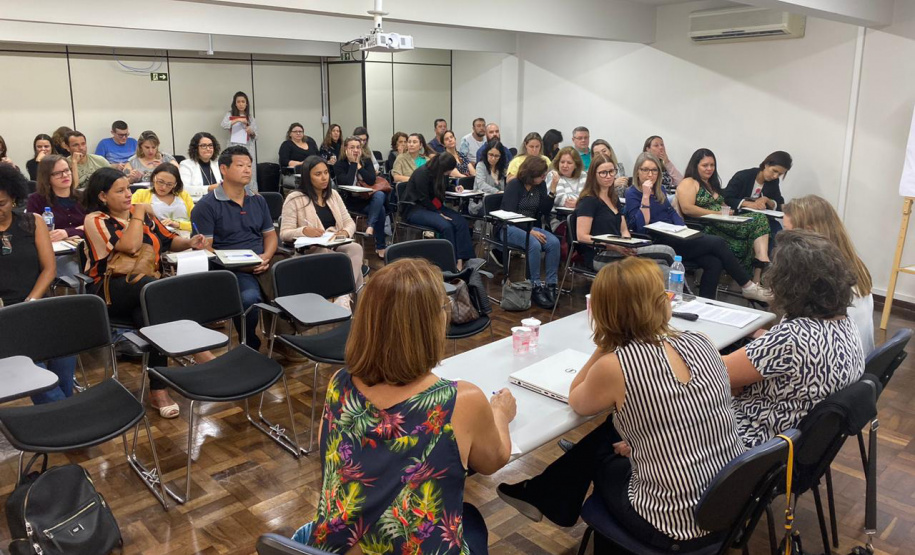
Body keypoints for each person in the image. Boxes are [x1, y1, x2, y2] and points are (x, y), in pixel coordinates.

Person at [497, 257, 745, 551]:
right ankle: (542, 495)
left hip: (675, 524)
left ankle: (551, 501)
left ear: (604, 313)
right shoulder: (701, 341)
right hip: (729, 499)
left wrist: (606, 342)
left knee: (602, 457)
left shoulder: (616, 366)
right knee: (609, 437)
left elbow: (577, 399)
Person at [294, 258, 515, 554]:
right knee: (471, 519)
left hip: (332, 547)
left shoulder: (338, 384)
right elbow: (493, 461)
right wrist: (500, 412)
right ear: (432, 323)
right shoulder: (461, 401)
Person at [83, 168, 209, 418]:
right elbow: (129, 246)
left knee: (150, 316)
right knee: (155, 293)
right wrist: (139, 212)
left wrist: (191, 242)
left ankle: (158, 390)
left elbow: (169, 240)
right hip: (109, 291)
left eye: (128, 189)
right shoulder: (96, 219)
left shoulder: (143, 216)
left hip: (146, 291)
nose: (128, 195)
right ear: (103, 196)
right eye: (120, 191)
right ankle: (199, 351)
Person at [724, 229, 865, 447]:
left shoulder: (791, 338)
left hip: (751, 445)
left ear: (787, 283)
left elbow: (715, 375)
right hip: (798, 443)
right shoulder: (845, 323)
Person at [625, 152, 770, 302]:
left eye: (654, 170)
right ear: (637, 172)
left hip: (674, 235)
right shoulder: (632, 193)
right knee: (718, 242)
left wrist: (682, 228)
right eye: (645, 170)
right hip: (657, 240)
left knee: (714, 262)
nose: (650, 174)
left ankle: (707, 304)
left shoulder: (660, 189)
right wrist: (646, 196)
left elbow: (671, 212)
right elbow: (641, 227)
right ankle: (747, 286)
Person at [0, 164, 76, 405]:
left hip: (35, 302)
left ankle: (62, 408)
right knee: (30, 359)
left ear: (13, 197)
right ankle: (64, 412)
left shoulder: (33, 222)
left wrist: (31, 301)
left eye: (1, 203)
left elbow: (49, 269)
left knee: (66, 342)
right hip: (3, 313)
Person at [192, 146, 276, 351]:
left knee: (290, 280)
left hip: (262, 259)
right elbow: (206, 249)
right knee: (248, 298)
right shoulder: (207, 205)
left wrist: (265, 256)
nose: (247, 170)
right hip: (231, 268)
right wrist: (241, 264)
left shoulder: (258, 199)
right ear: (224, 169)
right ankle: (250, 344)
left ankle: (283, 339)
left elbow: (270, 235)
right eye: (240, 165)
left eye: (249, 165)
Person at [783, 195, 875, 355]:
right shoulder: (851, 262)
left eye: (787, 231)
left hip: (831, 362)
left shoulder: (820, 273)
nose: (782, 238)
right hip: (855, 361)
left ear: (809, 231)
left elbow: (800, 341)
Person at [279, 156, 364, 305]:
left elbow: (349, 222)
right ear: (307, 177)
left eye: (326, 172)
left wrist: (344, 232)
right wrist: (304, 231)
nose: (324, 177)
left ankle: (343, 297)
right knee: (330, 255)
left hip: (335, 243)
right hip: (311, 249)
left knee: (355, 248)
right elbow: (284, 233)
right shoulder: (294, 198)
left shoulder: (334, 195)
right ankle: (343, 295)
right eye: (318, 174)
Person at [676, 148, 771, 278]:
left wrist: (727, 210)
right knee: (758, 219)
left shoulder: (711, 184)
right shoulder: (689, 182)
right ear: (695, 166)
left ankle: (758, 271)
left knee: (758, 223)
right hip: (707, 226)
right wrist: (717, 214)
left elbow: (721, 204)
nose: (709, 168)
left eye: (712, 165)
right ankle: (758, 268)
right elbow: (688, 209)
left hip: (723, 222)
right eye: (705, 165)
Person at [575, 153, 675, 273]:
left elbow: (623, 230)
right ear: (593, 175)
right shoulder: (589, 200)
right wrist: (612, 246)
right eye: (603, 173)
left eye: (612, 171)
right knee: (666, 254)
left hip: (619, 250)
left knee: (663, 266)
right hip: (601, 254)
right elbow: (582, 236)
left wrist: (628, 244)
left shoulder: (613, 198)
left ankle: (678, 291)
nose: (609, 176)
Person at [501, 156, 561, 308]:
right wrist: (530, 230)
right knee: (533, 243)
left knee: (554, 243)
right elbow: (510, 215)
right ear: (531, 174)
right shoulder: (514, 185)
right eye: (541, 175)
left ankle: (551, 285)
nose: (544, 177)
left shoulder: (539, 186)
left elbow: (544, 210)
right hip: (509, 227)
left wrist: (552, 189)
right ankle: (534, 286)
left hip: (530, 227)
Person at [402, 154, 474, 268]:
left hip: (433, 206)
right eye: (448, 171)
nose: (449, 174)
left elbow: (443, 187)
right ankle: (450, 263)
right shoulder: (422, 173)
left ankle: (462, 259)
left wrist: (454, 188)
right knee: (446, 226)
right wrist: (439, 213)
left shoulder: (441, 172)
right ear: (443, 168)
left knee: (461, 222)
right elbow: (423, 198)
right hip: (415, 208)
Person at [27, 155, 86, 277]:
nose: (65, 175)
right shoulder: (36, 200)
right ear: (47, 177)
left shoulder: (83, 197)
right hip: (57, 255)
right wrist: (80, 228)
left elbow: (94, 227)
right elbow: (33, 231)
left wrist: (67, 233)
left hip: (85, 250)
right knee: (79, 277)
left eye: (66, 170)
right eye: (57, 173)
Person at [334, 136, 388, 257]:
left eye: (358, 147)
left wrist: (359, 166)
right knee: (381, 210)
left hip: (368, 199)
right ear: (345, 149)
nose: (356, 150)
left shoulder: (366, 161)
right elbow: (346, 183)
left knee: (379, 194)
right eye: (352, 147)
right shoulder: (339, 164)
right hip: (351, 201)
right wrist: (353, 164)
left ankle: (370, 227)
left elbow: (371, 180)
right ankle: (380, 246)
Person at [131, 164, 195, 232]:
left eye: (169, 184)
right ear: (154, 178)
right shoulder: (141, 194)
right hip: (156, 235)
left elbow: (197, 222)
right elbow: (131, 220)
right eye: (160, 182)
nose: (163, 187)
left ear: (175, 184)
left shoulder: (184, 195)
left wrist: (178, 224)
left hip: (185, 235)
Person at [724, 151, 792, 212]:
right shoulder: (742, 176)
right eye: (774, 171)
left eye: (780, 174)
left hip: (762, 218)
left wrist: (768, 200)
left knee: (776, 226)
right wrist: (750, 204)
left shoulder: (774, 181)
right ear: (766, 165)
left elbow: (780, 204)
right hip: (740, 216)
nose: (775, 176)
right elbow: (727, 199)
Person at [221, 91, 258, 190]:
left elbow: (256, 136)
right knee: (234, 168)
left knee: (248, 169)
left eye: (243, 102)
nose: (241, 104)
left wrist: (251, 131)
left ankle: (250, 192)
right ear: (235, 103)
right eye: (238, 102)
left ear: (246, 103)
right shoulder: (230, 114)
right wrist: (238, 120)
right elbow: (224, 125)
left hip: (247, 146)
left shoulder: (250, 117)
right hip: (233, 145)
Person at [546, 146, 585, 229]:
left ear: (576, 165)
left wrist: (577, 202)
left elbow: (591, 197)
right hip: (559, 220)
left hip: (582, 217)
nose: (565, 165)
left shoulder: (583, 176)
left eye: (569, 163)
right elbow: (562, 200)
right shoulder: (553, 175)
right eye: (562, 162)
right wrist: (581, 201)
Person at [179, 132, 222, 200]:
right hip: (197, 203)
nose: (208, 149)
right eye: (203, 146)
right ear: (196, 148)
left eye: (210, 145)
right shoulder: (186, 165)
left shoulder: (217, 164)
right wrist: (208, 188)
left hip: (217, 202)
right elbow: (184, 189)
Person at [470, 139, 508, 215]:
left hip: (497, 203)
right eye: (491, 154)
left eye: (497, 156)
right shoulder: (481, 165)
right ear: (486, 153)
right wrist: (496, 192)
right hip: (481, 203)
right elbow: (481, 185)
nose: (493, 158)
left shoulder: (501, 169)